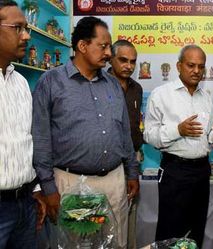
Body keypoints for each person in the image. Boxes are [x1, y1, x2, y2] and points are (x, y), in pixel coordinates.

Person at [32, 16, 139, 249]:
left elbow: (123, 133)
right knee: (75, 245)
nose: (109, 53)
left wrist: (132, 172)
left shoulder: (112, 84)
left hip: (113, 182)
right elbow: (40, 139)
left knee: (115, 244)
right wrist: (48, 188)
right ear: (82, 46)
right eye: (103, 46)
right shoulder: (51, 82)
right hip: (71, 184)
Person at [144, 45, 213, 247]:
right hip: (174, 170)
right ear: (179, 66)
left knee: (196, 228)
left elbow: (207, 136)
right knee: (170, 229)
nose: (196, 71)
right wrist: (178, 130)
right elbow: (149, 135)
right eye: (191, 65)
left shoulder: (206, 97)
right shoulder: (161, 94)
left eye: (201, 66)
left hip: (201, 171)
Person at [0, 1, 46, 248]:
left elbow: (28, 140)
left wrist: (36, 189)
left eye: (25, 28)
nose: (26, 35)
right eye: (17, 28)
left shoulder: (20, 83)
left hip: (25, 203)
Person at [109, 39, 143, 249]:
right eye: (123, 60)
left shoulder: (136, 88)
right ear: (110, 59)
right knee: (107, 216)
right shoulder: (100, 84)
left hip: (132, 160)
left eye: (133, 61)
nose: (128, 66)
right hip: (108, 163)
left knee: (129, 211)